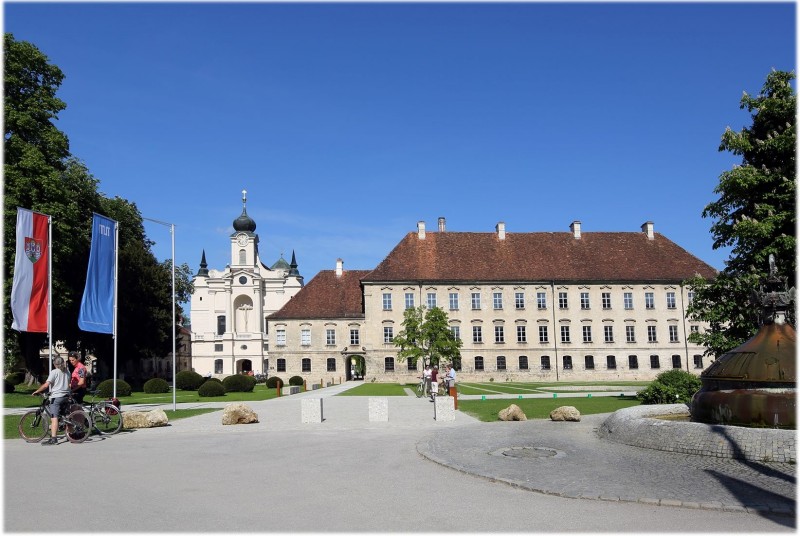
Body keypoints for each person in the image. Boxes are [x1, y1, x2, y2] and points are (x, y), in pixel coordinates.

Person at [32, 356, 71, 446]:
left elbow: (46, 385)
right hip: (65, 395)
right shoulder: (67, 371)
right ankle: (70, 431)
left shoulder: (54, 372)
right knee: (64, 415)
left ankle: (54, 438)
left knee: (54, 418)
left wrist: (37, 391)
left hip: (57, 397)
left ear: (54, 364)